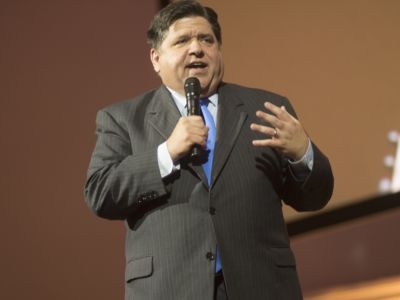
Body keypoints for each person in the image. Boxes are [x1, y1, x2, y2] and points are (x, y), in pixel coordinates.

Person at [84, 1, 334, 299]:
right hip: (170, 289)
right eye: (182, 41)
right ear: (155, 58)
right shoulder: (123, 119)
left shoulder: (264, 109)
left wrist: (301, 152)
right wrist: (166, 153)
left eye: (206, 39)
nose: (197, 49)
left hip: (261, 286)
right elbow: (100, 193)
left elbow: (315, 197)